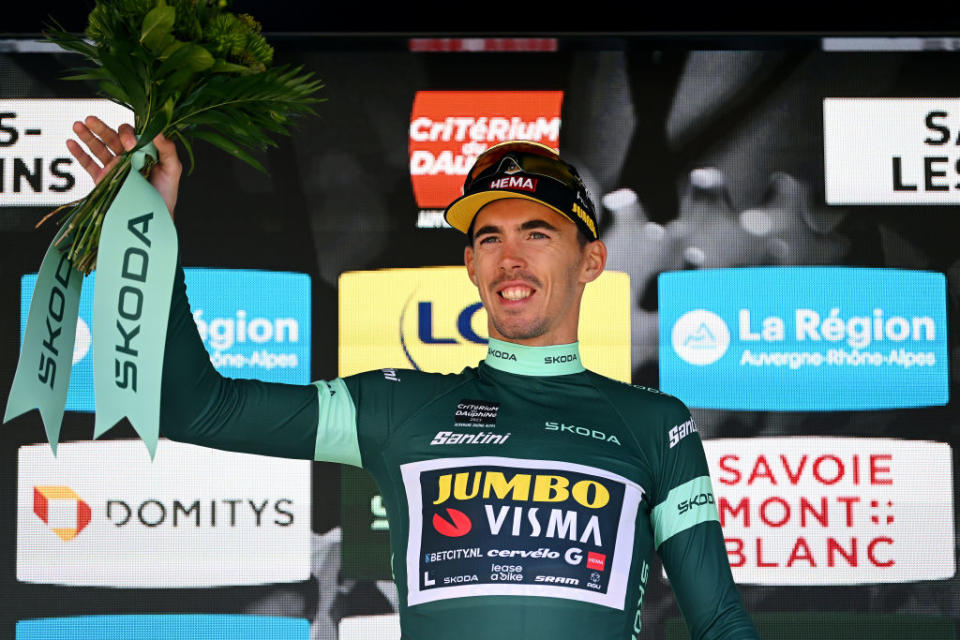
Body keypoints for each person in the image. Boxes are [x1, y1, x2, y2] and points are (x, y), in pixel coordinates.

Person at [68, 117, 760, 640]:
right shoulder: (401, 405)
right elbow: (202, 411)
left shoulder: (657, 425)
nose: (511, 257)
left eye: (538, 233)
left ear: (590, 261)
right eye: (490, 237)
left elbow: (721, 619)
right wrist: (146, 231)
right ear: (472, 266)